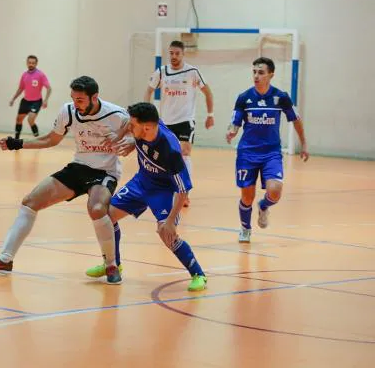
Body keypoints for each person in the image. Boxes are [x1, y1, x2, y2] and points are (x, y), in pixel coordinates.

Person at [0, 76, 129, 284]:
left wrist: (128, 141)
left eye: (81, 100)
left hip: (104, 172)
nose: (76, 104)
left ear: (95, 97)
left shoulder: (117, 115)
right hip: (78, 167)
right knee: (30, 202)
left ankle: (111, 265)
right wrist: (18, 144)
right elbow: (50, 139)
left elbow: (140, 132)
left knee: (97, 208)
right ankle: (5, 259)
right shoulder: (68, 111)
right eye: (73, 98)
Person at [86, 102, 207, 291]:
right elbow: (129, 125)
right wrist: (122, 139)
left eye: (133, 126)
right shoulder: (144, 128)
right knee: (107, 216)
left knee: (166, 233)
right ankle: (113, 265)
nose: (129, 127)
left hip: (163, 191)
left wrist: (169, 220)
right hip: (141, 182)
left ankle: (198, 274)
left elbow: (183, 190)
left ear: (147, 127)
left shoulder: (171, 151)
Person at [226, 57, 309, 243]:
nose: (256, 76)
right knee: (247, 197)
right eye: (254, 72)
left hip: (271, 152)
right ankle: (245, 228)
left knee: (275, 190)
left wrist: (303, 143)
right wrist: (231, 132)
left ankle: (264, 206)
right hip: (247, 153)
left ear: (271, 75)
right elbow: (235, 122)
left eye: (261, 72)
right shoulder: (244, 97)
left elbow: (296, 120)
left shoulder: (281, 97)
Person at [144, 40, 214, 207]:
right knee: (165, 157)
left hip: (185, 120)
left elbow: (208, 92)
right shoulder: (162, 72)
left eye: (177, 53)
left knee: (184, 152)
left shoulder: (192, 72)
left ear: (183, 54)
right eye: (171, 53)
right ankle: (166, 188)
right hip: (166, 121)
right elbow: (148, 91)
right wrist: (147, 113)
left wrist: (210, 114)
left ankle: (184, 193)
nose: (174, 56)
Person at [9, 55, 52, 139]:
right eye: (29, 63)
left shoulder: (40, 75)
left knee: (30, 119)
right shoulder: (24, 75)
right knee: (18, 120)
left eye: (33, 63)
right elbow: (21, 88)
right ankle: (16, 140)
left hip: (36, 102)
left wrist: (46, 100)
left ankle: (37, 136)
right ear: (27, 63)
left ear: (36, 64)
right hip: (25, 101)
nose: (31, 64)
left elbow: (49, 88)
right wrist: (13, 99)